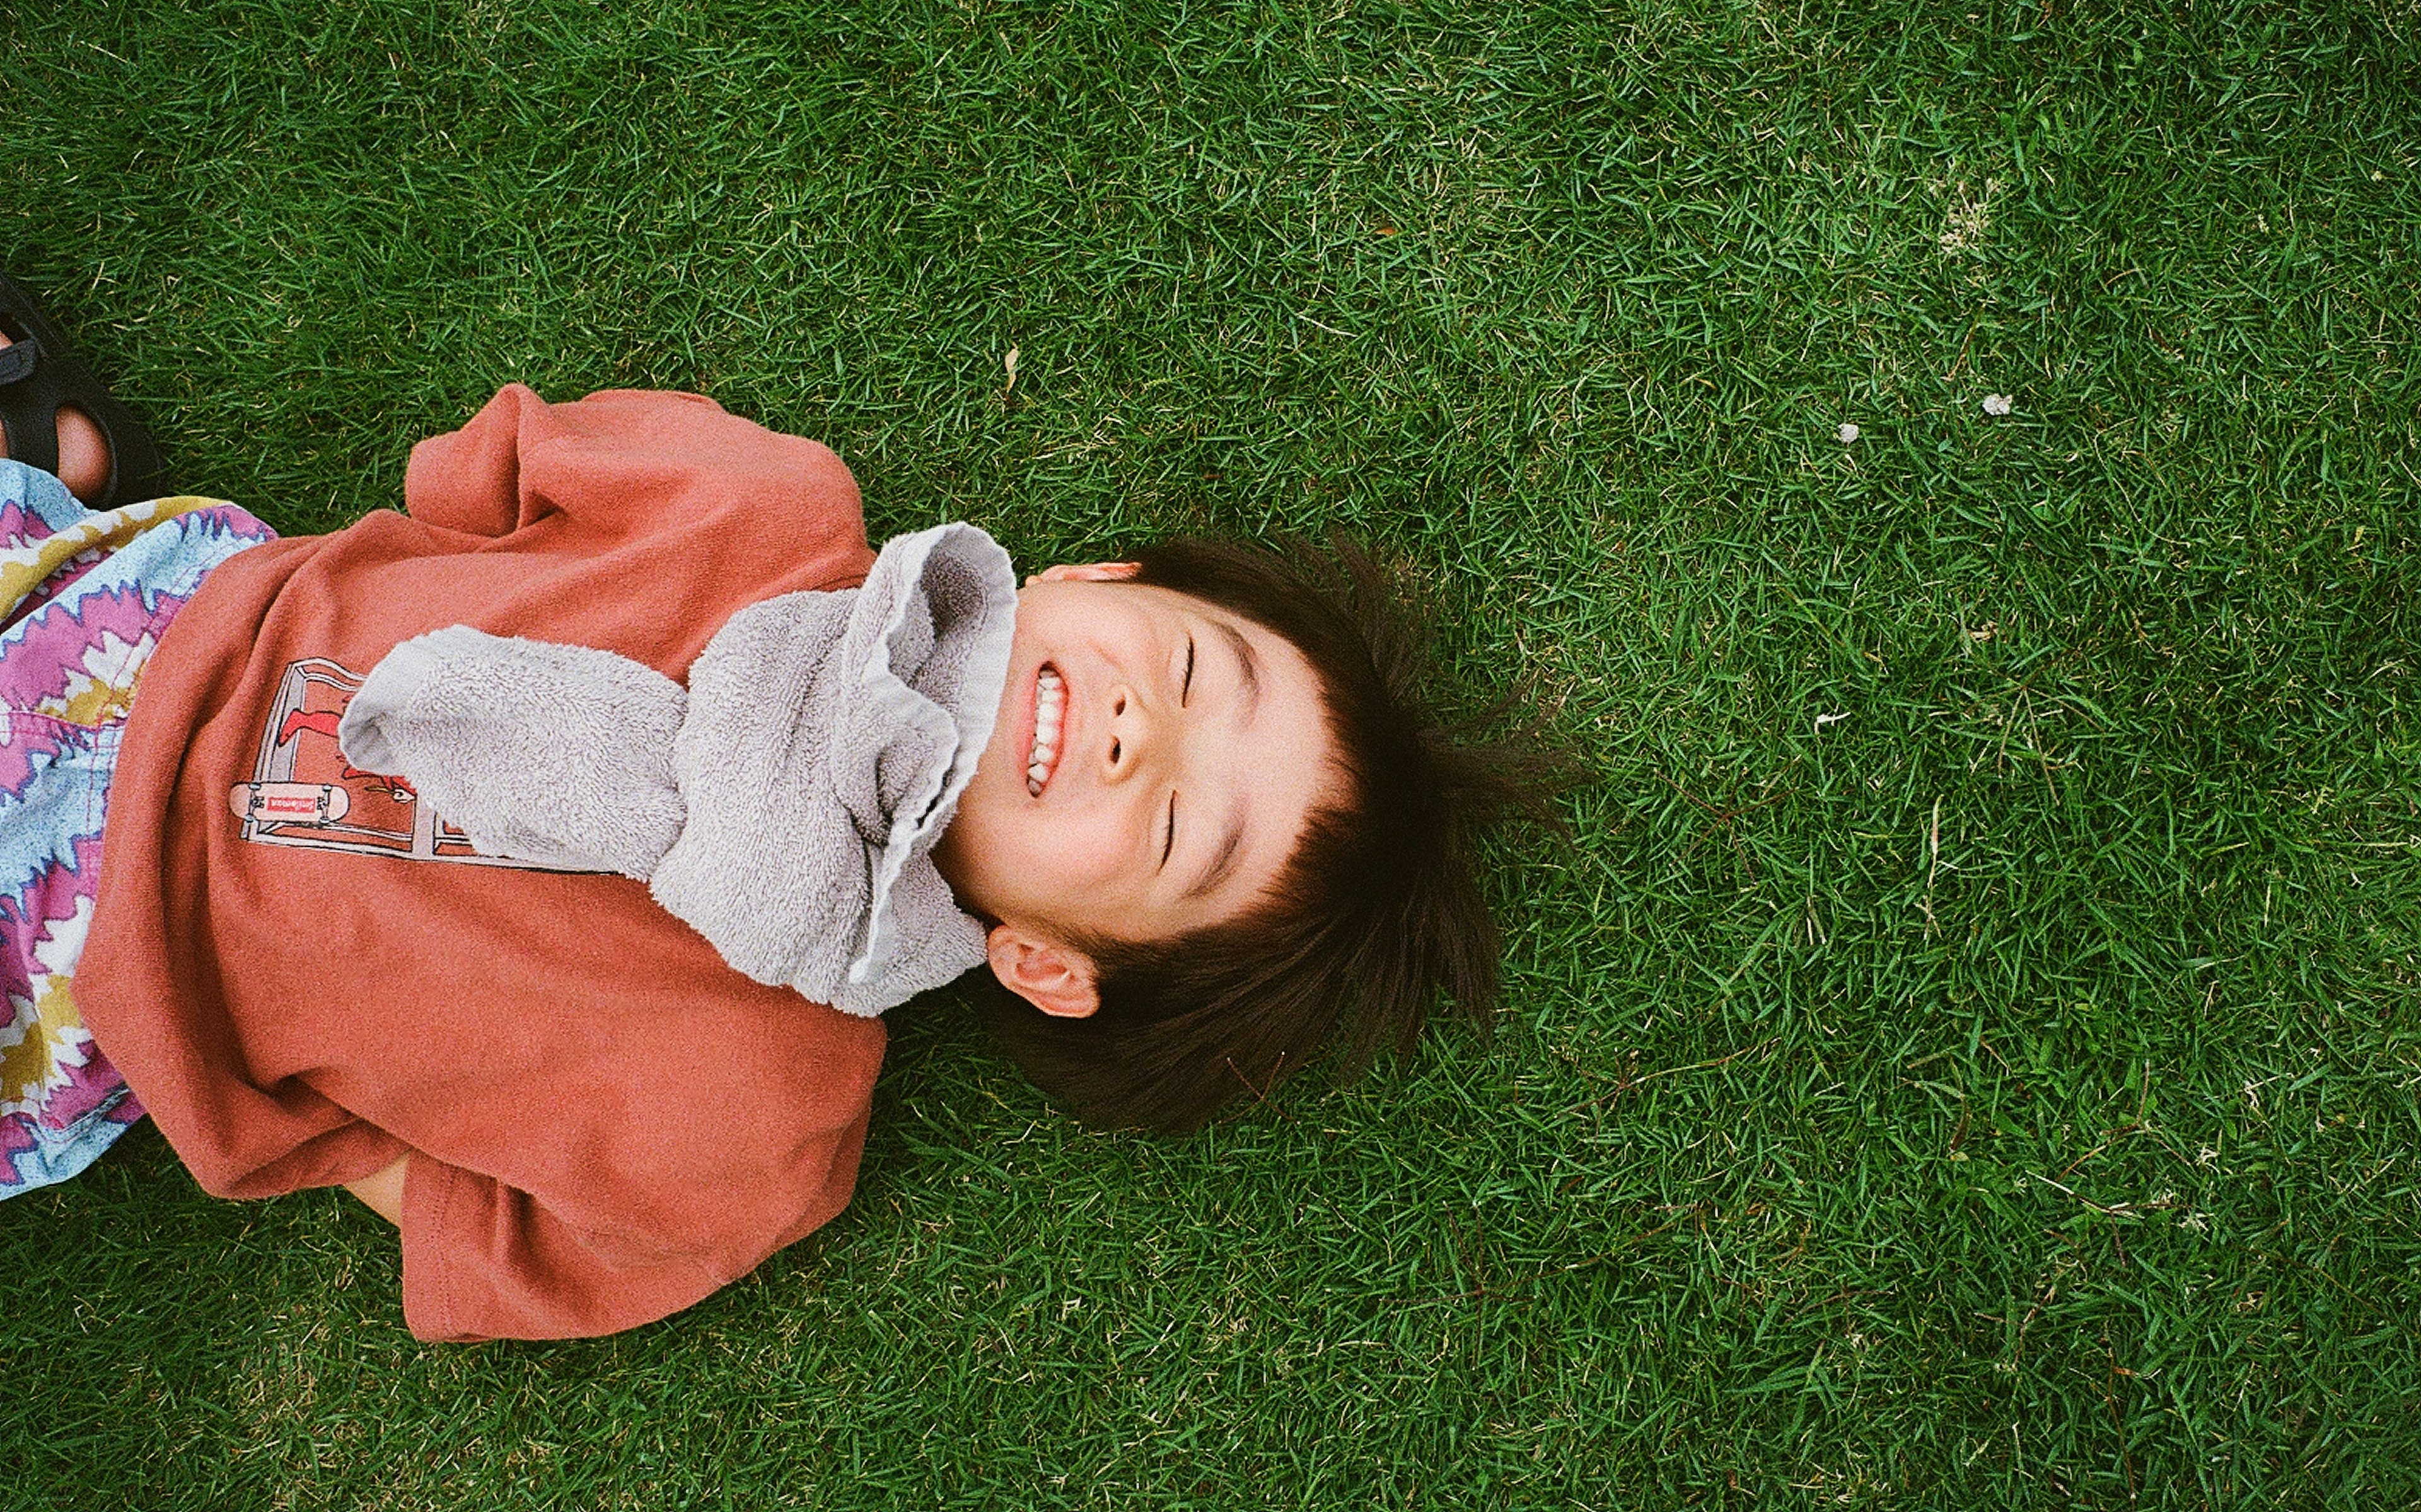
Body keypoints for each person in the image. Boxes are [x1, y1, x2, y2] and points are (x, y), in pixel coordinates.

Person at [0, 271, 1545, 1340]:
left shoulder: (755, 1132)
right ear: (1097, 581)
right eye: (1200, 676)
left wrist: (320, 1111)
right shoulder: (762, 505)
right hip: (144, 615)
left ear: (1052, 962)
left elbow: (500, 1238)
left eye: (1172, 833)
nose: (1148, 737)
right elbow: (494, 470)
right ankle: (53, 471)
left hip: (79, 966)